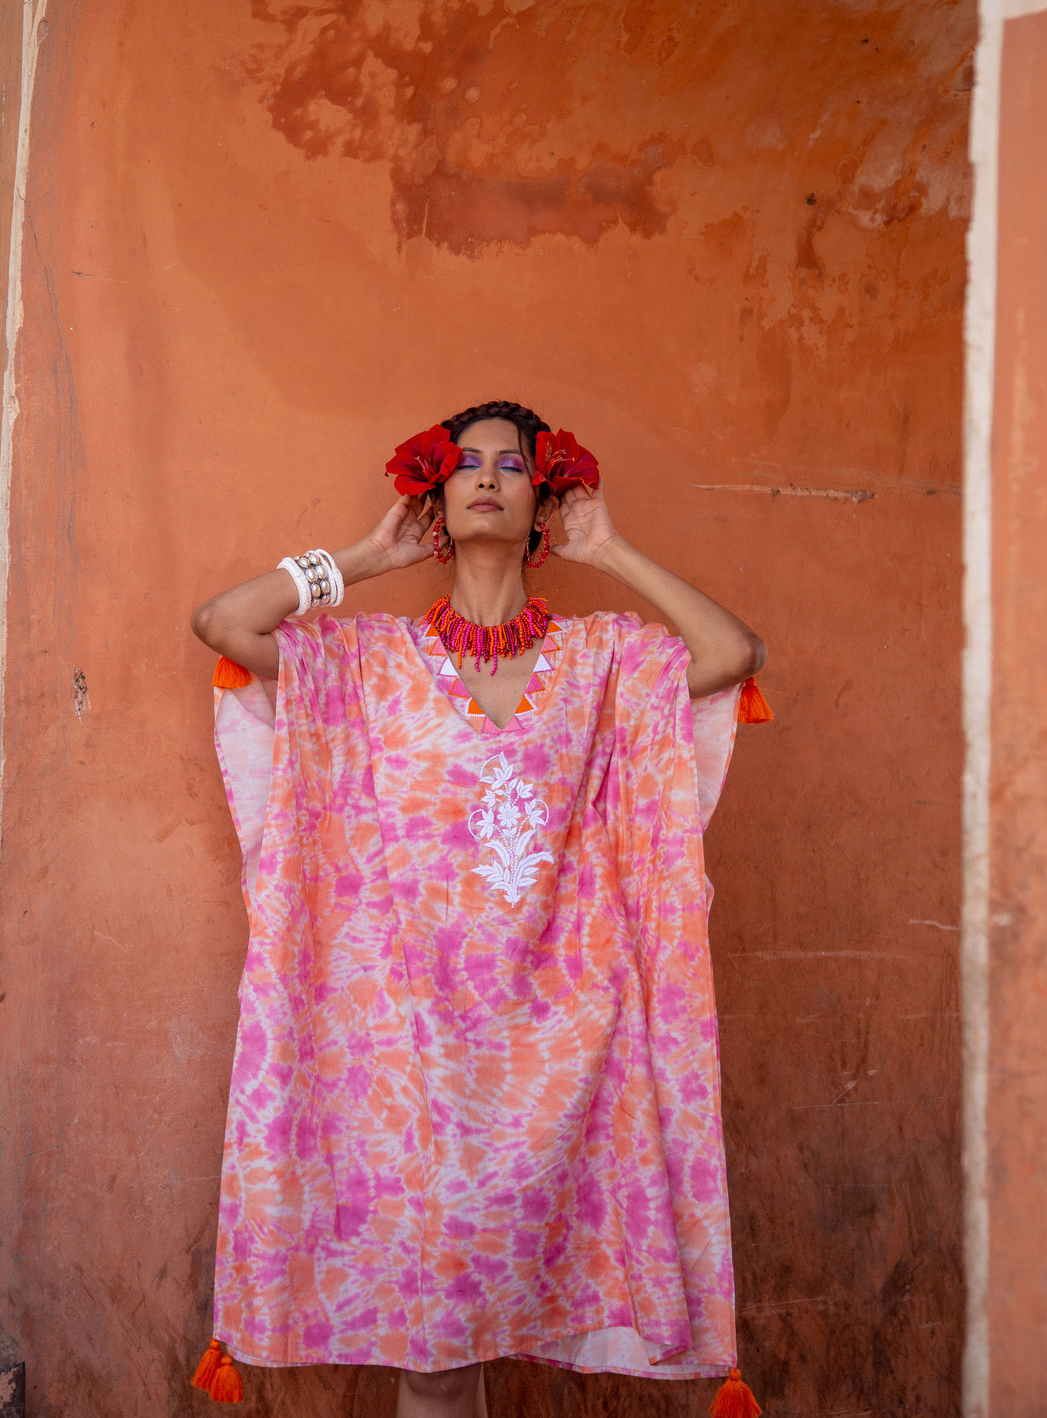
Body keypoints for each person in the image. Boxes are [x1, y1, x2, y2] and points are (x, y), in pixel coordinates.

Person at [190, 400, 768, 1418]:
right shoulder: (369, 664)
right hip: (406, 1069)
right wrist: (364, 557)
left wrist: (610, 546)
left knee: (498, 1339)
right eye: (463, 464)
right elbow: (225, 625)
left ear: (544, 499)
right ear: (437, 497)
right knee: (436, 1359)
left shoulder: (600, 663)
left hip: (559, 1058)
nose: (487, 477)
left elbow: (730, 653)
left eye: (513, 464)